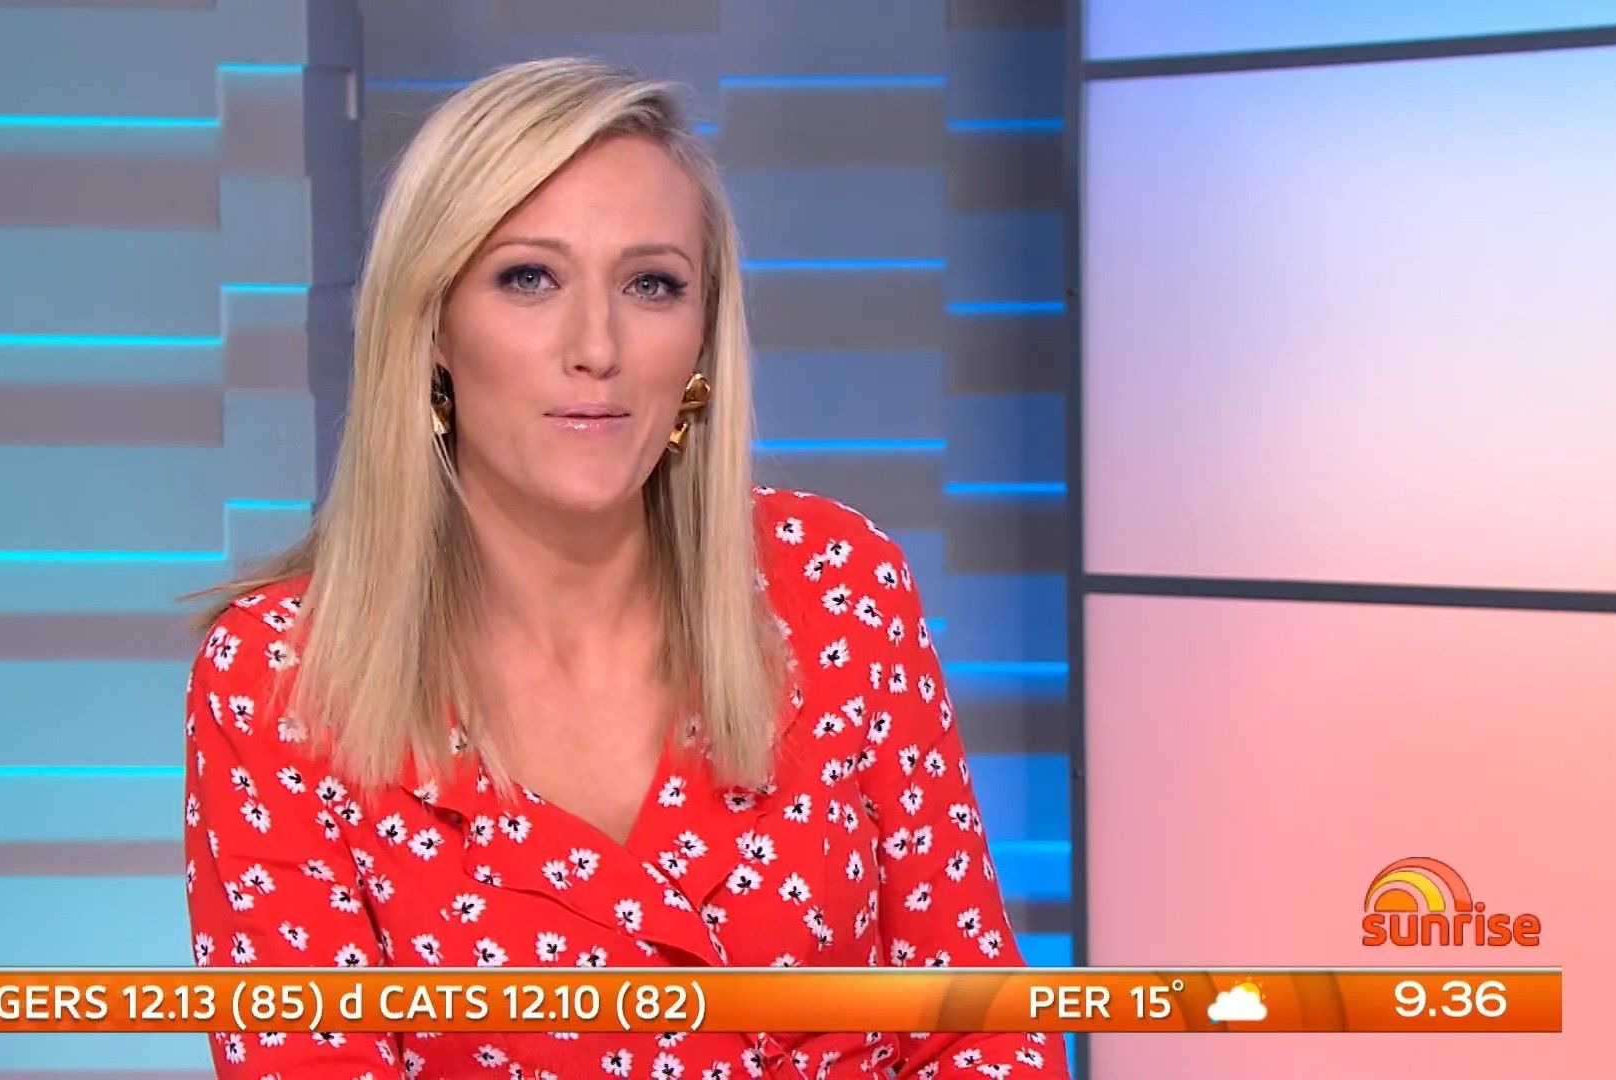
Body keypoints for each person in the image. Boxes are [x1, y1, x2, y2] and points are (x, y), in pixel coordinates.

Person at [181, 55, 1067, 1079]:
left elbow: (979, 1027)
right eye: (529, 278)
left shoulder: (836, 584)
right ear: (431, 326)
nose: (596, 347)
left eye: (652, 285)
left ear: (701, 341)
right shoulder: (279, 680)